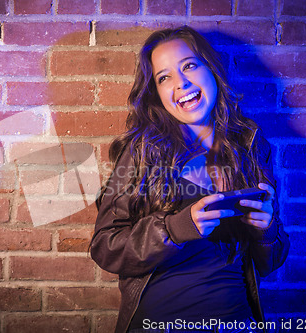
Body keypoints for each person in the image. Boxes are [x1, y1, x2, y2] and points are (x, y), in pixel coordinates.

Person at [90, 26, 290, 333]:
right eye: (164, 77)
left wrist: (266, 228)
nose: (181, 82)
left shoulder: (249, 144)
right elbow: (105, 247)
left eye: (189, 66)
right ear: (156, 92)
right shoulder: (140, 152)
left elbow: (269, 263)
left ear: (211, 69)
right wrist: (177, 228)